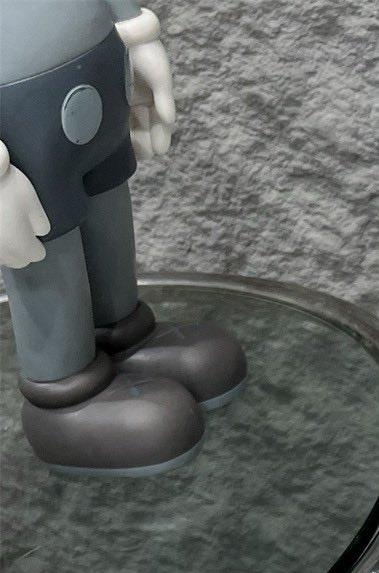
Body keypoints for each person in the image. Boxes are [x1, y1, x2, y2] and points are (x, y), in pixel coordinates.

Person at [0, 2, 245, 474]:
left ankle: (123, 336)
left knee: (108, 205)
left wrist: (137, 34)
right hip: (15, 134)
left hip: (96, 75)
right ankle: (64, 391)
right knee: (45, 244)